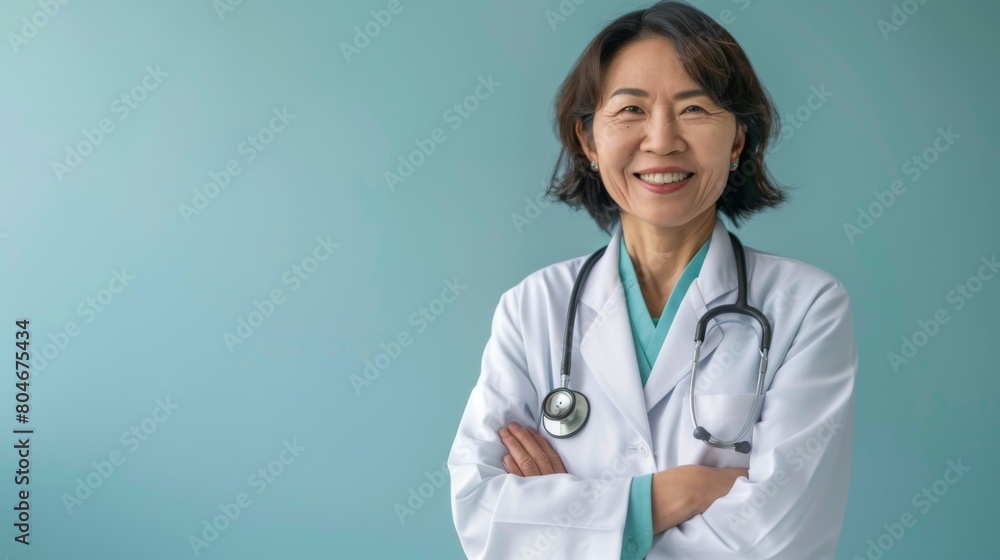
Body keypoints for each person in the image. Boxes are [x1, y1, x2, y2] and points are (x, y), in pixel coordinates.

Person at [447, 1, 858, 558]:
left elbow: (779, 538)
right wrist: (679, 492)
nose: (661, 140)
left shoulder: (805, 307)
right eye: (630, 110)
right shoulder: (533, 308)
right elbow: (483, 517)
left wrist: (573, 523)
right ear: (589, 142)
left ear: (737, 140)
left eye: (694, 109)